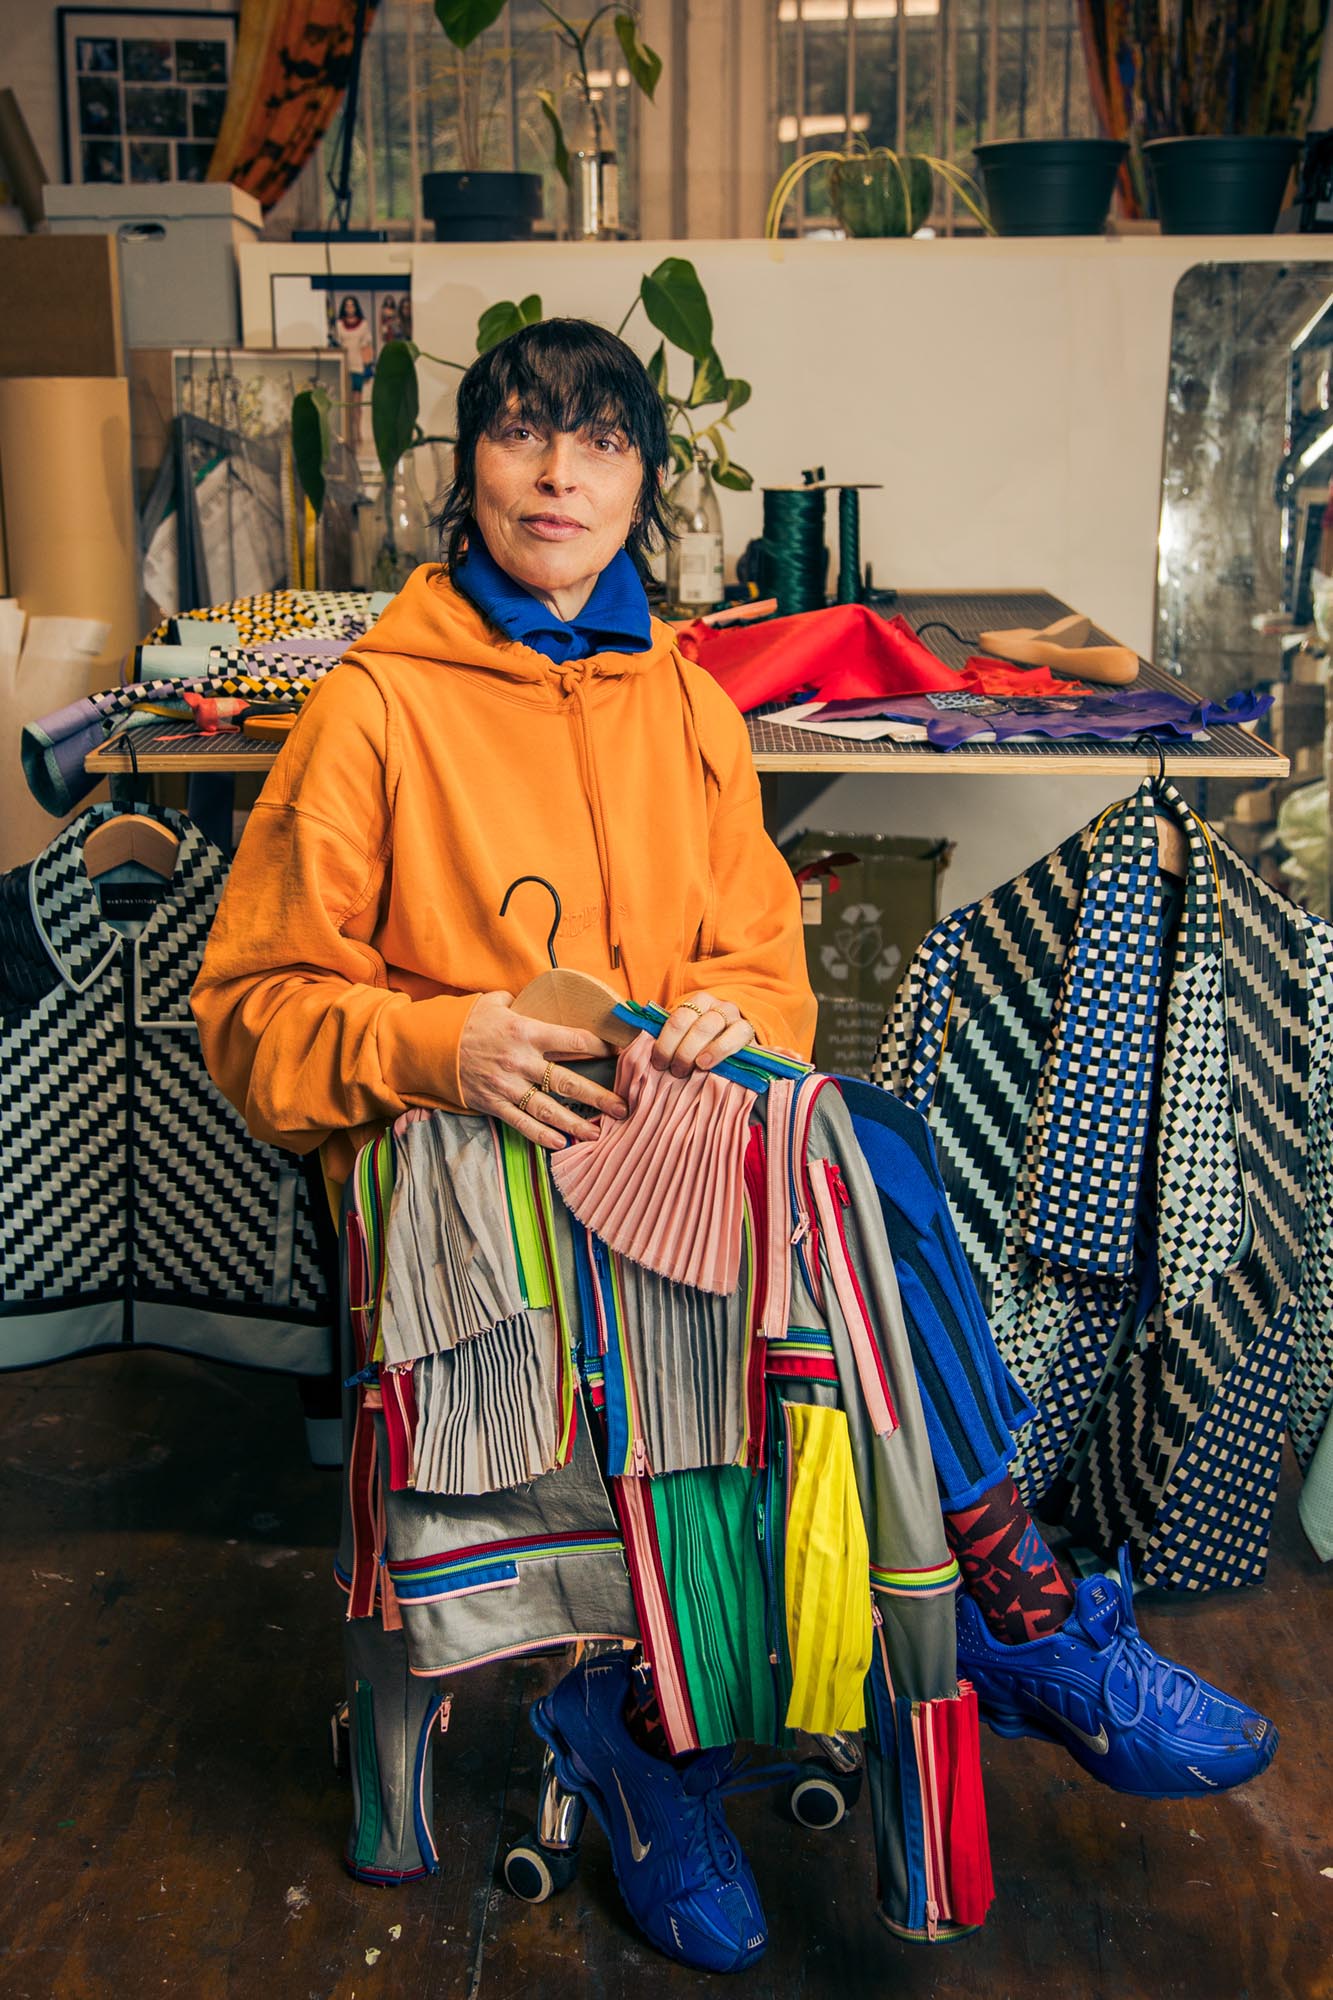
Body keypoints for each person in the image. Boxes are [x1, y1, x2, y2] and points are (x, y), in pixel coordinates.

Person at [193, 319, 1276, 1974]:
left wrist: (717, 1014)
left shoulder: (689, 708)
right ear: (465, 472)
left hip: (662, 1132)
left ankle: (673, 1723)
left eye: (600, 441)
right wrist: (445, 1038)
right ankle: (1018, 1607)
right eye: (521, 435)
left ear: (642, 483)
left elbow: (756, 961)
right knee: (834, 1222)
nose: (559, 472)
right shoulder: (375, 710)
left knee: (853, 1155)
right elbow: (252, 1012)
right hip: (462, 1158)